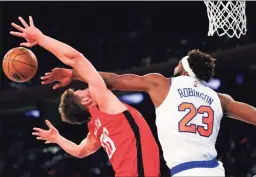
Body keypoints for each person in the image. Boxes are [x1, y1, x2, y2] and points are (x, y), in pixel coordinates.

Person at [40, 25, 256, 177]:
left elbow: (113, 80)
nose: (174, 65)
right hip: (215, 169)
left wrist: (74, 74)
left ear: (184, 70)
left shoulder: (161, 83)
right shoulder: (219, 98)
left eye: (178, 64)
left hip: (185, 170)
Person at [10, 16, 160, 177]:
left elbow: (80, 151)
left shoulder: (96, 128)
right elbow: (76, 58)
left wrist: (58, 138)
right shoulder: (104, 105)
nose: (85, 88)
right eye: (80, 91)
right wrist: (40, 38)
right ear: (87, 101)